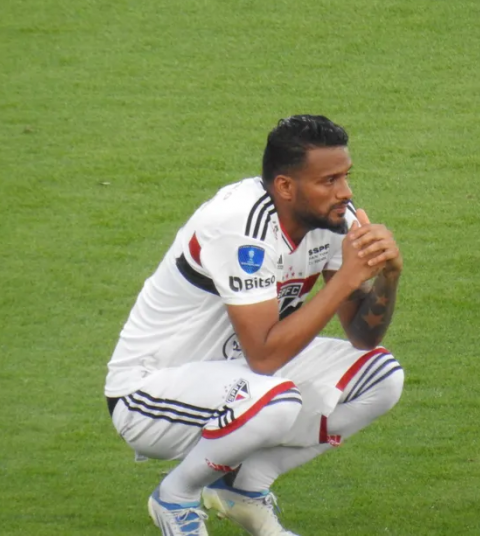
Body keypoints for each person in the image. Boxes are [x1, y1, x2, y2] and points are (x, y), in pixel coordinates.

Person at [105, 115, 404, 536]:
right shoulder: (239, 227)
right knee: (275, 399)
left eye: (346, 177)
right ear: (285, 186)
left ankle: (244, 489)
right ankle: (177, 496)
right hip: (149, 393)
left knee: (380, 376)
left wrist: (388, 275)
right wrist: (350, 279)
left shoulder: (335, 220)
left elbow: (362, 335)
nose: (346, 193)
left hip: (240, 375)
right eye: (329, 181)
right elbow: (265, 358)